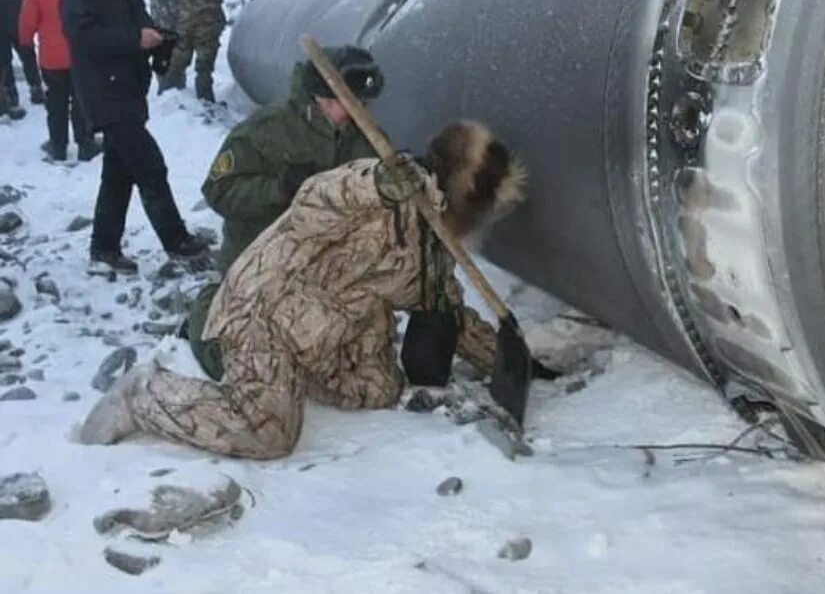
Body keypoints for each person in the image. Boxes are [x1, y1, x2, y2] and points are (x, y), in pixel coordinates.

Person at [78, 122, 527, 459]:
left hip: (329, 324)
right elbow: (316, 201)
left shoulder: (432, 237)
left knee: (380, 388)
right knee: (268, 432)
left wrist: (506, 360)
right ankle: (145, 396)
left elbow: (446, 306)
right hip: (266, 309)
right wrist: (376, 186)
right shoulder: (379, 186)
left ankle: (294, 378)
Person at [61, 0, 209, 275]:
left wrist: (160, 40)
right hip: (103, 94)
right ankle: (176, 241)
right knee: (149, 165)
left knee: (119, 174)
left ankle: (104, 247)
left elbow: (140, 29)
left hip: (127, 91)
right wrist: (135, 40)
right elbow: (82, 37)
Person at [201, 45, 383, 272]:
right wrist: (279, 190)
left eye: (365, 103)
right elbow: (218, 191)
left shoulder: (363, 134)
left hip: (324, 256)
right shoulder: (267, 128)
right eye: (352, 103)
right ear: (321, 97)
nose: (361, 110)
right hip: (259, 256)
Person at [162, 0, 276, 103]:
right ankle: (206, 101)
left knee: (178, 60)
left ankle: (167, 97)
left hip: (185, 20)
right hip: (206, 22)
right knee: (204, 66)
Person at [18, 0, 97, 162]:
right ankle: (85, 144)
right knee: (81, 101)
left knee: (56, 103)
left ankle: (58, 146)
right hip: (81, 55)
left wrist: (25, 44)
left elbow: (26, 26)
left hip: (51, 59)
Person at [0, 0, 44, 120]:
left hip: (20, 19)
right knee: (4, 61)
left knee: (27, 54)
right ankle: (10, 96)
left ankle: (36, 88)